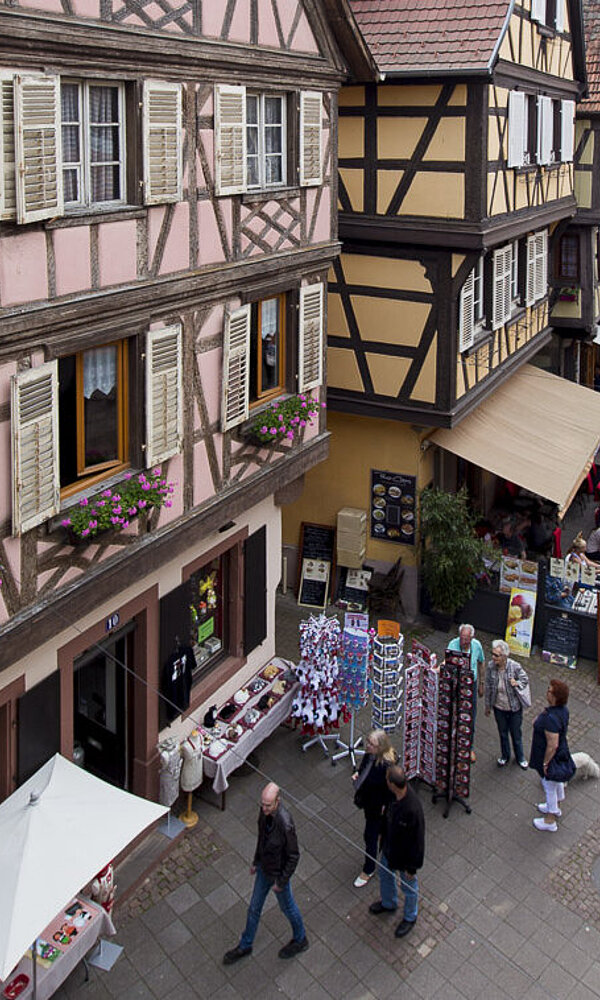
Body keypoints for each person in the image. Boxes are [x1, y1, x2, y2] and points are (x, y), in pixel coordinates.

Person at [223, 782, 308, 964]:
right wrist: (256, 861)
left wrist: (281, 882)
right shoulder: (265, 814)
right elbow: (262, 839)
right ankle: (246, 945)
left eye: (268, 805)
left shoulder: (285, 824)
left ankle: (300, 939)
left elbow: (293, 856)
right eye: (262, 804)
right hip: (264, 869)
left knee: (288, 908)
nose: (264, 808)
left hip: (277, 874)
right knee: (254, 907)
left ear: (278, 802)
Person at [368, 765, 425, 939]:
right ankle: (389, 903)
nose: (385, 782)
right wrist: (381, 835)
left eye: (387, 779)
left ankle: (410, 916)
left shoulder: (412, 809)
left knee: (409, 886)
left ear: (393, 784)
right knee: (385, 875)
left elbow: (418, 842)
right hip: (389, 849)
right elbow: (386, 817)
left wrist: (412, 868)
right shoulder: (392, 797)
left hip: (404, 857)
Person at [351, 729, 397, 888]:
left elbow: (391, 790)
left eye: (372, 744)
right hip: (371, 803)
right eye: (368, 741)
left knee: (369, 836)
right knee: (377, 833)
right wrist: (358, 774)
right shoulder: (371, 755)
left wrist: (384, 806)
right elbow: (364, 767)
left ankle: (368, 869)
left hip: (377, 807)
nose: (367, 745)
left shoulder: (386, 766)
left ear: (381, 748)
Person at [529, 678, 574, 832]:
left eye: (549, 690)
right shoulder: (562, 711)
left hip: (550, 756)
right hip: (561, 752)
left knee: (549, 785)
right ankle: (555, 805)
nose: (546, 691)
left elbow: (552, 744)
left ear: (554, 696)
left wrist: (545, 763)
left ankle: (550, 820)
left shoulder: (551, 720)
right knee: (556, 783)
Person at [484, 639, 529, 768]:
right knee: (503, 733)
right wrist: (488, 706)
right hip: (499, 707)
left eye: (496, 655)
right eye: (492, 654)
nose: (493, 658)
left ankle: (520, 757)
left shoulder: (514, 666)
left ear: (504, 656)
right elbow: (488, 686)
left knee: (516, 733)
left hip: (514, 707)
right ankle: (505, 756)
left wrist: (517, 683)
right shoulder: (491, 666)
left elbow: (525, 679)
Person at [447, 624, 484, 763]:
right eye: (462, 639)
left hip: (471, 685)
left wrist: (481, 683)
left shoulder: (477, 646)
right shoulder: (453, 644)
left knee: (470, 717)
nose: (463, 642)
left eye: (466, 640)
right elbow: (447, 661)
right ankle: (453, 744)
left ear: (472, 638)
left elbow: (481, 662)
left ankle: (469, 747)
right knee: (453, 713)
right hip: (456, 684)